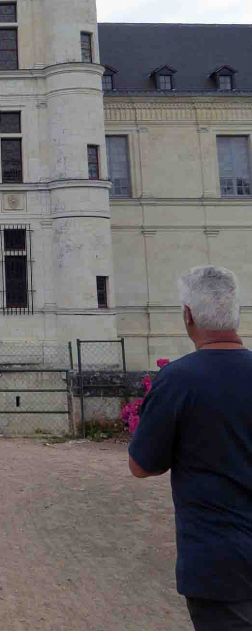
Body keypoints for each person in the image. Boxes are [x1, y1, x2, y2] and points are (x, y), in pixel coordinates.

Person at [129, 265, 252, 630]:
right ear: (237, 314)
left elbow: (141, 465)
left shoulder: (179, 379)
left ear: (187, 316)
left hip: (216, 558)